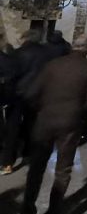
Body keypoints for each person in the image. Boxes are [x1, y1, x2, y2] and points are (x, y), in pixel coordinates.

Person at [21, 35, 87, 214]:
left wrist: (41, 108)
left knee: (36, 167)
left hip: (45, 120)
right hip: (70, 124)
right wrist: (76, 111)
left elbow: (32, 92)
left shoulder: (52, 65)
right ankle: (54, 211)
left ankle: (27, 207)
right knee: (63, 169)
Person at [1, 29, 49, 174]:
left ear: (25, 38)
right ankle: (29, 153)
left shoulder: (17, 54)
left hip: (17, 95)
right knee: (33, 124)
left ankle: (8, 161)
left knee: (12, 127)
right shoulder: (47, 54)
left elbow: (11, 75)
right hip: (38, 94)